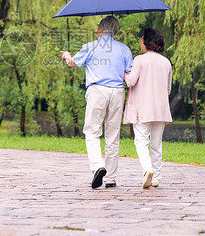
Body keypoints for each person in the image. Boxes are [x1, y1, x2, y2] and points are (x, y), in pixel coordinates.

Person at [61, 16, 133, 189]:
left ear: (101, 29)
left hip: (97, 90)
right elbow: (129, 73)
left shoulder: (90, 46)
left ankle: (98, 166)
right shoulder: (125, 49)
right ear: (115, 32)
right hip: (117, 92)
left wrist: (66, 55)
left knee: (92, 132)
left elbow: (72, 63)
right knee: (112, 136)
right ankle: (111, 178)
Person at [124, 28, 172, 189]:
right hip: (161, 109)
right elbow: (168, 88)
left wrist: (124, 72)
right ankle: (156, 177)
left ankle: (147, 170)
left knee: (141, 141)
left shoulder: (139, 60)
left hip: (142, 108)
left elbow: (130, 81)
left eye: (142, 39)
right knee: (156, 144)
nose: (140, 42)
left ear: (147, 42)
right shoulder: (166, 62)